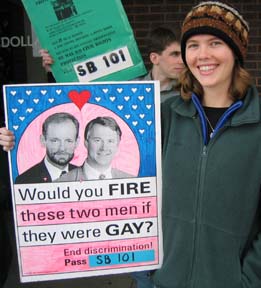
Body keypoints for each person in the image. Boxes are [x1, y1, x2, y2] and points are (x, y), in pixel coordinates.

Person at [152, 1, 261, 288]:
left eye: (215, 43)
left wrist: (249, 279)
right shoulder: (165, 117)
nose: (203, 55)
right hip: (166, 281)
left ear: (236, 52)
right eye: (193, 45)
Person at [58, 116, 133, 181]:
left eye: (110, 141)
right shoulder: (62, 183)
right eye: (97, 140)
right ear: (86, 143)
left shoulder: (130, 181)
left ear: (117, 146)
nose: (104, 148)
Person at [15, 112, 79, 184]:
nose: (62, 148)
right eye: (55, 141)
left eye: (68, 141)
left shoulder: (85, 176)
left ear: (77, 142)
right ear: (43, 140)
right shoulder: (25, 181)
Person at [137, 26, 184, 102]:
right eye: (175, 54)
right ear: (154, 58)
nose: (182, 61)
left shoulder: (189, 92)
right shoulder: (132, 88)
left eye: (184, 54)